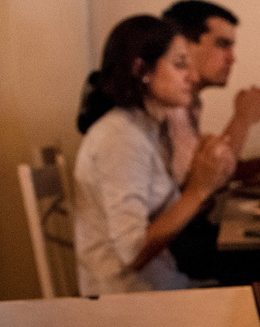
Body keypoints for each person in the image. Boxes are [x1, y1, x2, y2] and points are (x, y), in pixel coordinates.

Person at [73, 15, 236, 295]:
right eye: (180, 64)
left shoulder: (146, 129)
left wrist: (204, 172)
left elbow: (166, 216)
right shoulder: (121, 136)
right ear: (142, 70)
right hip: (132, 304)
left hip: (162, 286)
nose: (193, 76)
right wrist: (197, 190)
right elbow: (132, 252)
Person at [162, 0, 260, 185]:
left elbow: (202, 172)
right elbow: (201, 185)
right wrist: (243, 118)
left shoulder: (192, 101)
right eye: (223, 44)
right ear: (183, 45)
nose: (232, 58)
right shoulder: (166, 103)